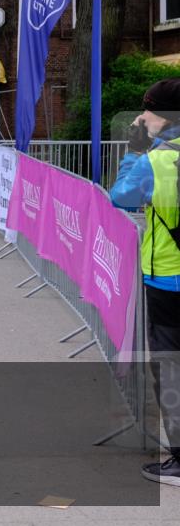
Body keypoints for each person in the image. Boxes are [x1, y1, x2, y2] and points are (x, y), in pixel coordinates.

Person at [108, 77, 180, 487]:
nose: (143, 115)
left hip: (170, 279)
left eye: (149, 110)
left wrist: (136, 149)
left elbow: (122, 196)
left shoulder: (158, 160)